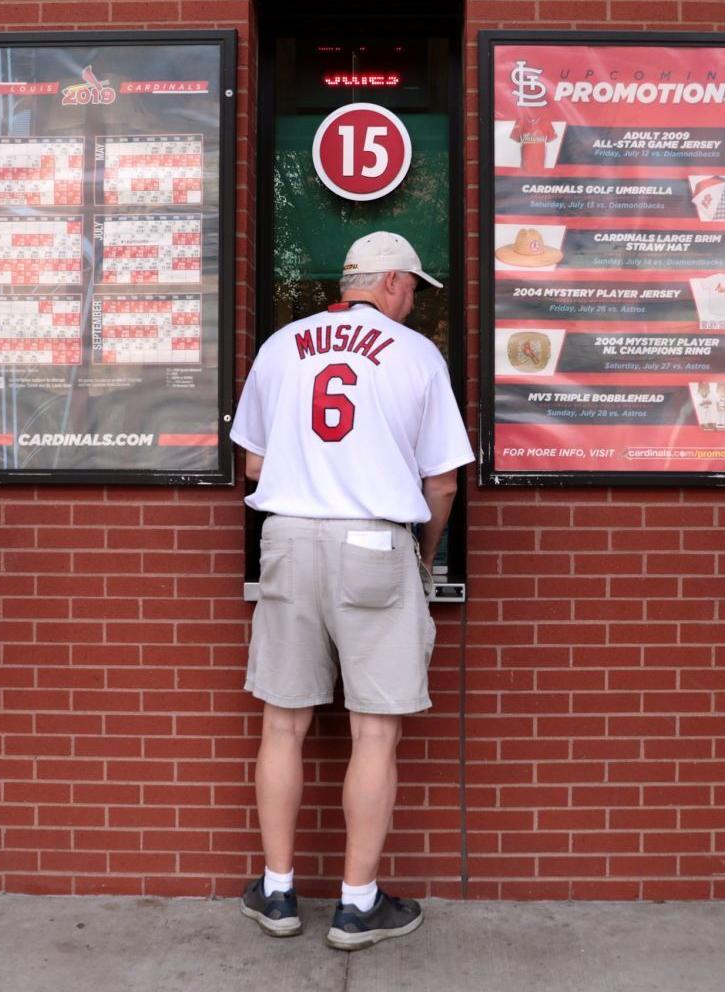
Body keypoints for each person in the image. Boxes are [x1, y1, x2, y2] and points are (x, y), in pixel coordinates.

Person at [229, 231, 473, 951]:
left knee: (282, 723)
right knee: (373, 731)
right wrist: (421, 559)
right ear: (392, 282)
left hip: (289, 536)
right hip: (373, 538)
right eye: (413, 291)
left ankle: (276, 892)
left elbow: (251, 464)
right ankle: (356, 905)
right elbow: (443, 482)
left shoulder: (282, 346)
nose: (414, 305)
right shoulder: (415, 355)